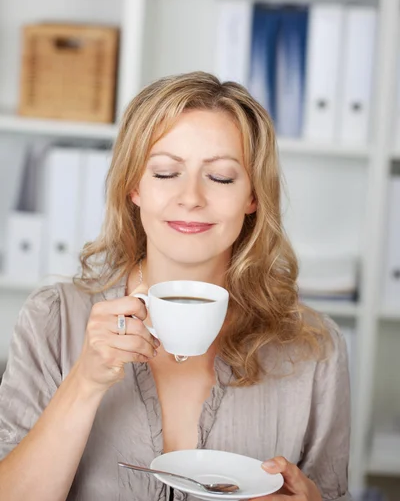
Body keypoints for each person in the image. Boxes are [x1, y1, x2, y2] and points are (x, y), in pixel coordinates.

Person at [0, 72, 351, 501]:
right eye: (166, 173)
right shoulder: (54, 319)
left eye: (221, 178)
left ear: (253, 197)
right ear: (134, 187)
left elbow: (330, 493)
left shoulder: (315, 349)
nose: (191, 198)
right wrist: (85, 382)